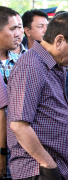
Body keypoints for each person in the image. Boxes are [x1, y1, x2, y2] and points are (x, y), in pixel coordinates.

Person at [7, 12, 68, 180]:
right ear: (59, 41)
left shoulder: (53, 64)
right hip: (38, 171)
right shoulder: (31, 65)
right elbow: (19, 125)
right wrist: (49, 166)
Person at [0, 6, 20, 180]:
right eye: (13, 29)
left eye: (19, 28)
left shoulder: (23, 62)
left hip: (19, 151)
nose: (18, 34)